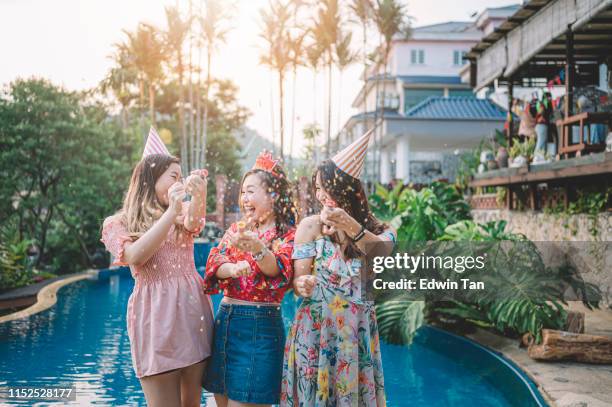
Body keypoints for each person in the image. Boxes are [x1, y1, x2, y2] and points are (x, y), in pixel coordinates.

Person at [281, 128, 396, 406]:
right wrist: (302, 284)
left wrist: (349, 225)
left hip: (355, 334)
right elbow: (299, 282)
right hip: (315, 331)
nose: (320, 194)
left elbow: (383, 253)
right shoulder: (310, 227)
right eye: (317, 187)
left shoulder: (382, 230)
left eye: (325, 187)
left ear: (347, 189)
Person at [100, 128, 214, 407]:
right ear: (150, 179)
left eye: (181, 176)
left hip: (192, 311)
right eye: (173, 176)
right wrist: (170, 213)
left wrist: (199, 194)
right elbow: (135, 256)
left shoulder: (181, 216)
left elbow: (194, 224)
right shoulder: (117, 223)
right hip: (154, 315)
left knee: (192, 403)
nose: (179, 181)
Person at [203, 151, 297, 407]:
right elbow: (215, 263)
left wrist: (257, 248)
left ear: (273, 196)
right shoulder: (236, 229)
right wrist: (232, 269)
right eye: (243, 192)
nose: (244, 198)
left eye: (251, 191)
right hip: (226, 323)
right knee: (221, 401)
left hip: (261, 328)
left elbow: (278, 269)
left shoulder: (287, 235)